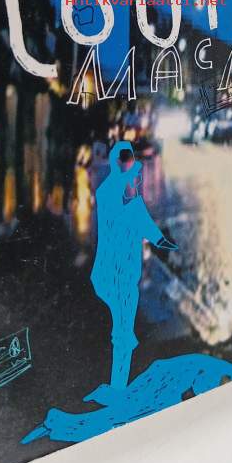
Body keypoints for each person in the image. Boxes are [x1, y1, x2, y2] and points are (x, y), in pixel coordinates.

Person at [90, 141, 177, 394]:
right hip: (119, 277)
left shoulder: (109, 193)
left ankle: (118, 383)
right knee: (122, 334)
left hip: (112, 276)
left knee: (122, 332)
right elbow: (148, 231)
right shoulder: (121, 201)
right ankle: (119, 387)